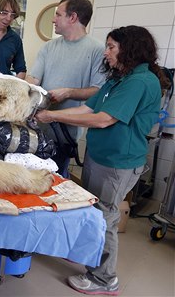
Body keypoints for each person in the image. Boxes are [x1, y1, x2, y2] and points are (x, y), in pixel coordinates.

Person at [36, 26, 171, 296]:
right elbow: (88, 108)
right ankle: (87, 255)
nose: (106, 52)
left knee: (105, 217)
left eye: (111, 47)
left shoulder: (140, 82)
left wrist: (54, 117)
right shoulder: (117, 79)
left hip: (118, 162)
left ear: (129, 48)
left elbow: (104, 118)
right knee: (92, 212)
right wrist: (45, 109)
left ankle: (105, 279)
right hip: (99, 156)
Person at [26, 0, 106, 178]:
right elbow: (34, 79)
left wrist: (69, 92)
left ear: (73, 17)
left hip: (65, 131)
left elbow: (98, 90)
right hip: (37, 124)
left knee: (55, 178)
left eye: (58, 15)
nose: (53, 19)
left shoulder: (97, 50)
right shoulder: (48, 47)